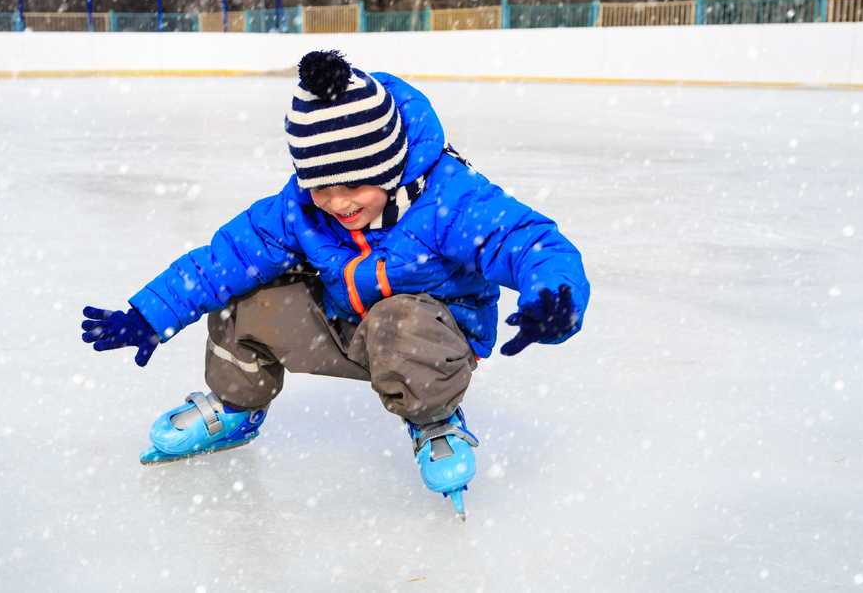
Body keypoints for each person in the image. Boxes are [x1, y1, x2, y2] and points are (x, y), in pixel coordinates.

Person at [81, 50, 589, 520]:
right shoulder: (301, 208)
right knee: (244, 292)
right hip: (344, 324)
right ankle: (238, 406)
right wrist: (152, 312)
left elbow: (528, 241)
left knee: (397, 320)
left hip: (430, 338)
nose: (338, 203)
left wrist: (554, 297)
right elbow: (227, 257)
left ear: (389, 167)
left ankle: (434, 417)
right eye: (321, 186)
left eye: (354, 185)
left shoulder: (450, 201)